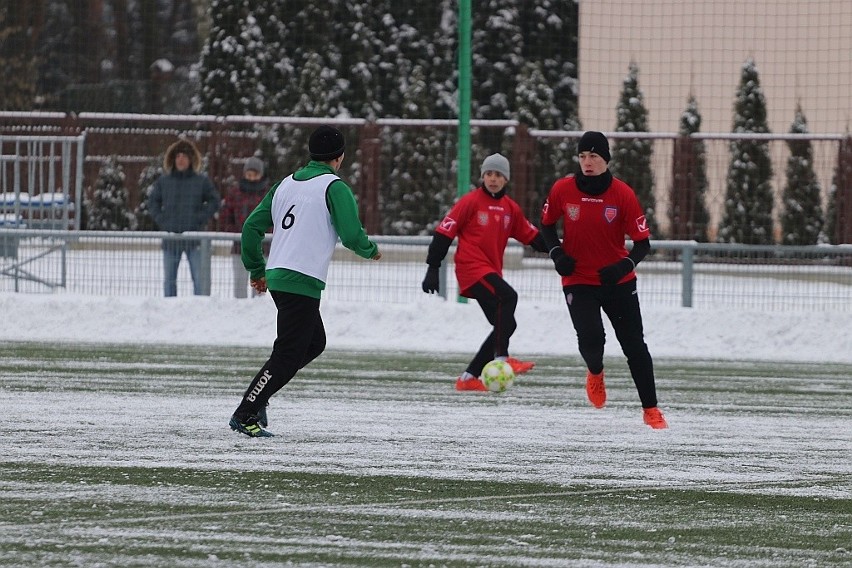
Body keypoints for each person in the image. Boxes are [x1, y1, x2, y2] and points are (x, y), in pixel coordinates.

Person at [229, 125, 382, 437]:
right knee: (288, 353)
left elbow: (250, 228)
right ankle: (247, 412)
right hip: (300, 279)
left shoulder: (285, 184)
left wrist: (257, 270)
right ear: (339, 158)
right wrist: (370, 250)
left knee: (313, 343)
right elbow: (352, 234)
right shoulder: (334, 187)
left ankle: (259, 398)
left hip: (280, 276)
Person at [539, 131, 668, 429]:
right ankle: (595, 372)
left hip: (617, 283)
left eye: (594, 156)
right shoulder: (562, 189)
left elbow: (643, 243)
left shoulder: (622, 194)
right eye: (583, 156)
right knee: (592, 338)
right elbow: (545, 227)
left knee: (634, 345)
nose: (587, 162)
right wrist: (557, 253)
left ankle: (651, 409)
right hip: (578, 280)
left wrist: (624, 266)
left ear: (606, 159)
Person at [422, 153, 548, 391]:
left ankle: (468, 378)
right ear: (483, 176)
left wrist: (559, 250)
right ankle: (502, 358)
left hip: (490, 272)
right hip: (471, 269)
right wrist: (433, 266)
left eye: (498, 175)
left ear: (506, 179)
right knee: (509, 297)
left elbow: (533, 237)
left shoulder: (511, 209)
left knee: (505, 325)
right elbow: (443, 233)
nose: (493, 179)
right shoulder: (470, 202)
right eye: (489, 174)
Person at [149, 138, 220, 297]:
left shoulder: (201, 181)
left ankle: (200, 311)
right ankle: (168, 310)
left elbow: (214, 201)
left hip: (194, 239)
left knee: (199, 281)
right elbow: (152, 202)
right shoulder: (163, 181)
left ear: (191, 159)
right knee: (169, 281)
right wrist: (163, 221)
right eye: (178, 156)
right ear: (173, 159)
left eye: (184, 156)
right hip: (171, 238)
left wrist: (199, 219)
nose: (181, 159)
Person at [219, 156, 270, 298]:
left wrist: (265, 233)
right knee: (240, 284)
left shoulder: (268, 194)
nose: (252, 178)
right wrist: (235, 232)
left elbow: (275, 218)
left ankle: (258, 311)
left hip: (262, 246)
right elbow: (225, 216)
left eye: (255, 175)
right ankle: (239, 311)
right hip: (239, 246)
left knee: (259, 286)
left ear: (261, 175)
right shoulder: (234, 193)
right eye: (249, 174)